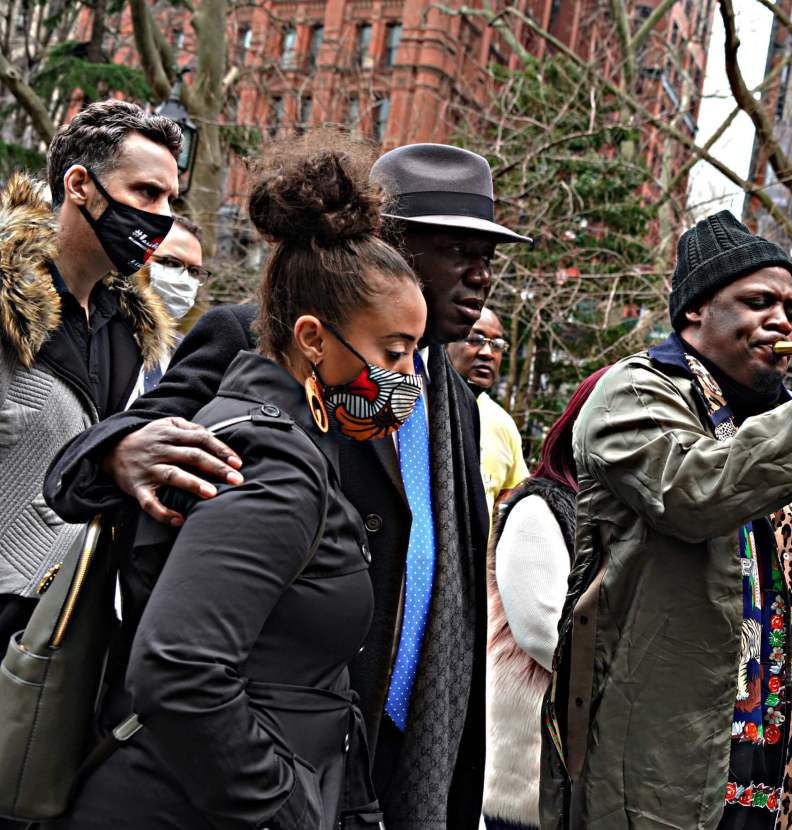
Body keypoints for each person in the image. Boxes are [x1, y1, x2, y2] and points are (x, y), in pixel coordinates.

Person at [44, 141, 530, 829]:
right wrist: (123, 450)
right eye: (458, 252)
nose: (482, 279)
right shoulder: (256, 337)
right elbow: (79, 475)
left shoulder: (453, 400)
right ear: (383, 247)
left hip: (394, 745)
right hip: (249, 752)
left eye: (490, 259)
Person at [542, 210, 792, 830]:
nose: (781, 320)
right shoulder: (635, 392)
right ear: (696, 310)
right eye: (758, 302)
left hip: (784, 758)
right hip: (664, 751)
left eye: (788, 306)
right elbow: (694, 493)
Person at [0, 100, 179, 643]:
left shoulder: (133, 335)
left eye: (172, 199)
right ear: (79, 185)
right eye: (146, 193)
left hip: (67, 624)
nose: (163, 216)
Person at [483, 366, 609, 830]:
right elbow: (546, 633)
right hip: (530, 773)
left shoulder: (621, 515)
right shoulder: (540, 507)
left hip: (597, 771)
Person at [447, 307, 529, 518]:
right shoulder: (418, 408)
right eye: (475, 340)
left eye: (497, 345)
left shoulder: (503, 424)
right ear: (446, 344)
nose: (487, 353)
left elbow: (513, 500)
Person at [127, 215, 209, 403]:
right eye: (171, 263)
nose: (184, 279)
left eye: (194, 271)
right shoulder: (99, 330)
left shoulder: (186, 356)